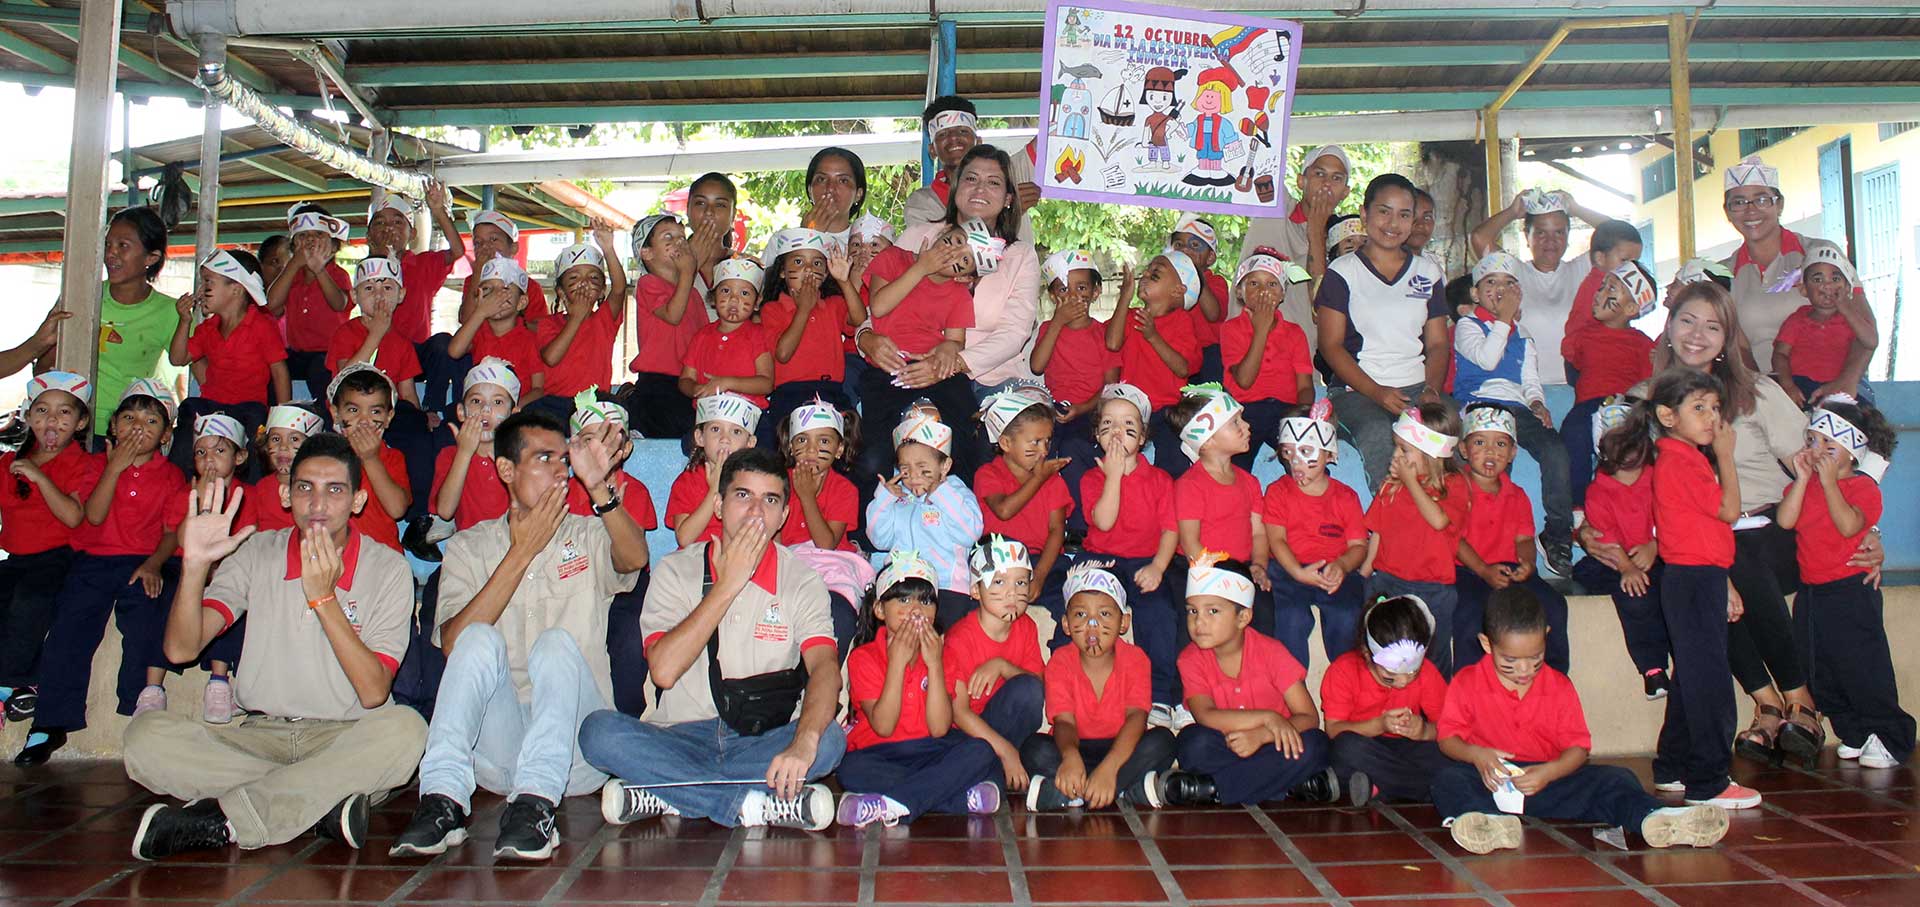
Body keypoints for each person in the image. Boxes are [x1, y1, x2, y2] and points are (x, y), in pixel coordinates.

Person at [1601, 281, 1885, 769]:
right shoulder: (1644, 403)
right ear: (1668, 326)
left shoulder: (1757, 391)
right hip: (1684, 544)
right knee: (1702, 577)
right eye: (1687, 320)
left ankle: (1792, 700)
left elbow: (1831, 459)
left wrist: (1869, 531)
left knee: (1736, 556)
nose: (1697, 334)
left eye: (1713, 326)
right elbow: (1620, 488)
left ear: (1728, 337)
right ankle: (1778, 703)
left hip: (1773, 532)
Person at [123, 434, 425, 858]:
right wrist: (194, 566)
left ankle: (224, 821)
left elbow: (374, 692)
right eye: (305, 488)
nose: (317, 504)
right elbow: (179, 650)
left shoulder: (388, 567)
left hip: (344, 735)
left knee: (406, 731)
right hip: (257, 735)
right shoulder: (257, 553)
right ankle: (315, 804)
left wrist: (323, 599)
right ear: (286, 494)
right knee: (145, 737)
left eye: (334, 490)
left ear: (357, 501)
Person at [390, 410, 646, 860]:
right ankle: (441, 799)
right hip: (497, 747)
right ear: (506, 470)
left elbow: (633, 559)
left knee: (555, 642)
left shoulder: (585, 533)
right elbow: (452, 645)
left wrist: (599, 488)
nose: (558, 471)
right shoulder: (471, 546)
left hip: (572, 754)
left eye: (562, 460)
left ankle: (535, 807)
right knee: (475, 638)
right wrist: (521, 552)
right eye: (544, 458)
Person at [583, 448, 847, 832]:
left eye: (770, 500)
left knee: (829, 741)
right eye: (743, 496)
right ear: (719, 506)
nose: (756, 511)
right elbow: (664, 671)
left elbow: (824, 667)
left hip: (761, 739)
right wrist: (727, 586)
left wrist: (803, 742)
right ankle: (748, 804)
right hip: (679, 736)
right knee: (598, 732)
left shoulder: (801, 580)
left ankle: (667, 791)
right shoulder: (676, 570)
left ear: (784, 516)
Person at [1433, 586, 1729, 854]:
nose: (1523, 670)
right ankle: (1486, 824)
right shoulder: (1467, 681)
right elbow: (1447, 738)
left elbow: (1577, 749)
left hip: (1546, 782)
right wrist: (1477, 755)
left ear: (1547, 636)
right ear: (1487, 644)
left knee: (1616, 779)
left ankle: (1656, 817)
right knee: (1448, 779)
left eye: (1535, 659)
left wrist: (1550, 772)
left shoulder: (1559, 686)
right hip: (1491, 782)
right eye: (1509, 661)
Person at [14, 379, 185, 766]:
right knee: (70, 626)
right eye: (128, 417)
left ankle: (138, 711)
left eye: (151, 420)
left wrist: (154, 564)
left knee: (146, 615)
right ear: (112, 427)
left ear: (165, 434)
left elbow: (173, 531)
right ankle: (50, 722)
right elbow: (92, 515)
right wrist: (115, 467)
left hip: (142, 559)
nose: (138, 426)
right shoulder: (96, 464)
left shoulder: (171, 474)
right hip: (93, 559)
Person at [1635, 369, 1760, 809]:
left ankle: (1672, 766)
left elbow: (1702, 533)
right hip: (1690, 580)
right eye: (1700, 408)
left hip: (1699, 577)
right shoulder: (1681, 462)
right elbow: (1729, 510)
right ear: (1668, 416)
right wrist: (1727, 455)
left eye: (1716, 409)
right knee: (1710, 682)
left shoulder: (1683, 458)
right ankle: (1708, 780)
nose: (1712, 419)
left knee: (1692, 677)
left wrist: (1723, 582)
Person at [1776, 400, 1911, 770]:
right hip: (1812, 591)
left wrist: (1830, 484)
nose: (1815, 452)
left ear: (1851, 455)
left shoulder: (1862, 489)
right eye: (1811, 441)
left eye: (1828, 447)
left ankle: (1890, 735)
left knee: (1862, 666)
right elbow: (1787, 522)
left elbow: (1849, 526)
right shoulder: (1803, 487)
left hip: (1850, 590)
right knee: (1820, 667)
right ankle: (1853, 731)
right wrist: (1804, 481)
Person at [835, 550, 1004, 828]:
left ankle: (890, 804)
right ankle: (955, 799)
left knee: (981, 751)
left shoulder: (943, 654)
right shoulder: (864, 657)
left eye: (926, 601)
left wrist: (935, 664)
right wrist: (897, 664)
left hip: (931, 748)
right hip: (880, 752)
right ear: (879, 609)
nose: (916, 609)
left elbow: (939, 729)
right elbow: (884, 726)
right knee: (850, 770)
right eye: (903, 599)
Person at [1159, 556, 1342, 807]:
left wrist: (1263, 734)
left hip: (1273, 744)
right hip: (1228, 743)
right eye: (1192, 611)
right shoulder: (1190, 658)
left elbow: (1308, 716)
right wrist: (1267, 717)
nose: (1199, 622)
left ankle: (1214, 789)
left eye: (1213, 611)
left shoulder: (1272, 652)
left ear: (1243, 617)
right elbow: (1205, 715)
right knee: (1193, 742)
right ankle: (1287, 785)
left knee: (1316, 744)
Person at [878, 144, 1041, 414]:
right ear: (956, 188)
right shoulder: (918, 237)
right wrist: (866, 338)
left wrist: (954, 362)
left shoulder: (1020, 255)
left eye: (993, 182)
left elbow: (1014, 334)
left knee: (1027, 420)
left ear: (1009, 198)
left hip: (993, 379)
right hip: (913, 369)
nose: (980, 189)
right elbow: (879, 301)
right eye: (971, 178)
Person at [1315, 174, 1452, 492]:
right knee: (1379, 435)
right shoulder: (1342, 272)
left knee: (1452, 430)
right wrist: (1377, 393)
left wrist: (1431, 390)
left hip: (1419, 388)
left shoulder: (1427, 272)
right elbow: (1330, 346)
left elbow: (1437, 343)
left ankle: (1446, 530)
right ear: (1364, 214)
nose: (1394, 223)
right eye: (1384, 211)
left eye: (1405, 214)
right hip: (1357, 392)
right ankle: (1391, 530)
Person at [1453, 251, 1573, 574]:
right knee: (1493, 469)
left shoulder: (1523, 334)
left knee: (1556, 451)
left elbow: (1530, 380)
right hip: (1481, 406)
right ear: (1476, 293)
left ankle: (1558, 536)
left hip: (1518, 410)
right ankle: (1485, 547)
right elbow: (1488, 359)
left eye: (1509, 284)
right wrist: (1504, 320)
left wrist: (1536, 402)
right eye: (1491, 283)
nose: (1500, 289)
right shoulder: (1468, 326)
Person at [1022, 561, 1175, 811]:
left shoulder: (1136, 659)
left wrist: (1110, 768)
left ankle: (1074, 793)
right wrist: (1070, 757)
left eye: (1104, 614)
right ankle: (1123, 789)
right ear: (1066, 625)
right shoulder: (1060, 661)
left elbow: (1137, 718)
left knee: (1162, 741)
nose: (1092, 625)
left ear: (1123, 623)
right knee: (1034, 749)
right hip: (1075, 746)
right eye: (1081, 615)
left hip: (1121, 750)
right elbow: (1064, 722)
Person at [1719, 155, 1877, 393]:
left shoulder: (1820, 253)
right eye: (1738, 202)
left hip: (1837, 383)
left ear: (1779, 204)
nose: (1750, 211)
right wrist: (1760, 392)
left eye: (1762, 199)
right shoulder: (1723, 274)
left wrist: (1847, 381)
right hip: (1767, 389)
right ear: (1728, 211)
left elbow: (1865, 325)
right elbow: (1737, 347)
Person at [0, 372, 102, 727]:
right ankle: (17, 687)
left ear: (81, 422)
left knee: (31, 600)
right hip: (16, 559)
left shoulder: (84, 464)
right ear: (29, 417)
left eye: (64, 413)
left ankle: (13, 684)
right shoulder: (7, 464)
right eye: (42, 411)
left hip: (58, 557)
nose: (52, 421)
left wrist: (39, 477)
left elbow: (74, 517)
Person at [1078, 384, 1182, 719]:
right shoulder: (1092, 478)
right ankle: (1082, 687)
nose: (1117, 432)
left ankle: (1160, 693)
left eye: (1128, 426)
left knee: (1159, 611)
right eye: (1107, 425)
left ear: (1142, 439)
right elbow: (1103, 523)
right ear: (1097, 434)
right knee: (1086, 605)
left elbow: (1170, 529)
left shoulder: (1160, 479)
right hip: (1099, 557)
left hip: (1144, 558)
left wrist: (1158, 567)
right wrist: (1113, 478)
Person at [1451, 404, 1572, 675]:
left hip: (1509, 568)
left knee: (1554, 605)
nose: (1491, 452)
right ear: (1463, 449)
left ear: (1513, 453)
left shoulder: (1517, 495)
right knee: (1470, 614)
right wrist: (1482, 570)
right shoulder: (1455, 487)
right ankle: (1468, 691)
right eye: (1480, 442)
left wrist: (1527, 564)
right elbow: (1453, 539)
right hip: (1467, 571)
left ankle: (1553, 682)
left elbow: (1524, 538)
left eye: (1501, 444)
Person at [157, 414, 260, 723]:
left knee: (237, 598)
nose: (209, 460)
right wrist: (200, 500)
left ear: (240, 457)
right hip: (186, 564)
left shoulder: (249, 495)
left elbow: (251, 540)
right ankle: (151, 687)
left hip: (235, 567)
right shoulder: (183, 496)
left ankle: (219, 680)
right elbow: (181, 540)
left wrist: (219, 569)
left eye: (219, 451)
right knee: (163, 599)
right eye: (201, 452)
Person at [1571, 402, 1672, 701]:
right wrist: (1626, 566)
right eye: (1617, 444)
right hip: (1611, 559)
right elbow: (1603, 536)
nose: (1627, 452)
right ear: (1602, 448)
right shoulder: (1598, 490)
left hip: (1657, 551)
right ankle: (1653, 668)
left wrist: (1655, 545)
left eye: (1633, 443)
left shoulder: (1659, 477)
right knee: (1634, 592)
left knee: (1675, 585)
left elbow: (1671, 517)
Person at [1363, 403, 1469, 674]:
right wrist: (1366, 571)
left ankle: (1437, 715)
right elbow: (1378, 530)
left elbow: (1438, 520)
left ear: (1432, 455)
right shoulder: (1391, 486)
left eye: (1404, 450)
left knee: (1433, 658)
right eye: (1396, 447)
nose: (1395, 456)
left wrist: (1411, 482)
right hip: (1388, 581)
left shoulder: (1453, 486)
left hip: (1433, 588)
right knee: (1385, 653)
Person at [1468, 187, 1612, 385]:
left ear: (1568, 235)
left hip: (1579, 386)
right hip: (1525, 390)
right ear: (1527, 236)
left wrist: (1576, 209)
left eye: (1559, 232)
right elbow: (1479, 238)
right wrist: (1512, 212)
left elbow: (1619, 236)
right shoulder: (1512, 273)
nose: (1550, 241)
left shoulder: (1583, 269)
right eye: (1541, 233)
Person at [1263, 399, 1367, 670]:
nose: (1296, 462)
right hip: (1287, 570)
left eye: (1307, 452)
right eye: (1288, 452)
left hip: (1335, 569)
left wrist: (1343, 566)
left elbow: (1358, 545)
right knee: (1290, 617)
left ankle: (1346, 681)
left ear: (1330, 455)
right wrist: (1297, 572)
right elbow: (1276, 539)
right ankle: (1290, 690)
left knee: (1347, 616)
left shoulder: (1346, 497)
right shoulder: (1277, 492)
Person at [167, 249, 289, 475]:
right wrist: (184, 321)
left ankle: (253, 492)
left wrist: (282, 417)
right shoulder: (208, 329)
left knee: (256, 437)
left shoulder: (261, 325)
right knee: (189, 411)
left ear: (236, 289)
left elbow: (279, 371)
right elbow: (178, 358)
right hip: (212, 406)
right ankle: (177, 483)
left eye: (208, 283)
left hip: (249, 407)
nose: (201, 291)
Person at [944, 536, 1046, 799]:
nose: (1012, 593)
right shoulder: (960, 638)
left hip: (1009, 729)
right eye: (999, 582)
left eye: (1021, 582)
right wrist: (1006, 751)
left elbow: (1036, 685)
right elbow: (959, 714)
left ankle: (991, 774)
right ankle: (994, 769)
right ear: (976, 590)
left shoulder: (1026, 628)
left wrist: (1002, 665)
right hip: (971, 734)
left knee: (1028, 690)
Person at [1323, 595, 1449, 804]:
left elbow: (1448, 728)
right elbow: (1334, 730)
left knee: (1445, 754)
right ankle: (1426, 789)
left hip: (1404, 749)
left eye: (1413, 673)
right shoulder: (1344, 670)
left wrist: (1424, 731)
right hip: (1366, 745)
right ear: (1366, 653)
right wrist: (1379, 725)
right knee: (1345, 749)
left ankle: (1381, 788)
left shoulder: (1428, 672)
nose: (1402, 682)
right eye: (1390, 677)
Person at [66, 207, 178, 439]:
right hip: (73, 427)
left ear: (151, 258)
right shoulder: (81, 297)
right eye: (108, 245)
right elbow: (45, 360)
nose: (110, 254)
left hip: (128, 434)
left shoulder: (170, 312)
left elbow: (195, 365)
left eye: (122, 246)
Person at [866, 411, 984, 630]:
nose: (913, 477)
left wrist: (940, 493)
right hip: (902, 582)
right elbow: (879, 539)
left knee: (940, 643)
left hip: (945, 585)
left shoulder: (957, 493)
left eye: (923, 468)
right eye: (905, 469)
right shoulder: (898, 496)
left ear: (945, 466)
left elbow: (970, 534)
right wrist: (883, 499)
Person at [1561, 260, 1657, 512]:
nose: (1599, 294)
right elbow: (1571, 350)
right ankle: (1578, 506)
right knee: (1573, 434)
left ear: (1631, 307)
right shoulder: (1585, 335)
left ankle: (1638, 510)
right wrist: (1597, 271)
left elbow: (1647, 384)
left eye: (1610, 290)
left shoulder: (1642, 343)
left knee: (1628, 451)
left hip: (1625, 404)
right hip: (1588, 405)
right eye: (1601, 287)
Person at [973, 386, 1073, 626]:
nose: (1044, 451)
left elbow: (1056, 530)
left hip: (1043, 562)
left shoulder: (1053, 480)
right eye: (1035, 442)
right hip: (998, 558)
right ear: (1006, 443)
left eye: (1047, 441)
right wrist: (1038, 478)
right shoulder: (989, 474)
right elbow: (1004, 510)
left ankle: (1063, 656)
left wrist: (1037, 577)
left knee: (1068, 604)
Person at [1240, 144, 1353, 355]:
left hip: (1300, 365)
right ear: (1301, 181)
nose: (1327, 184)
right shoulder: (1275, 207)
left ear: (1346, 192)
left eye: (1337, 178)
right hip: (1243, 350)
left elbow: (1321, 309)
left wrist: (1317, 233)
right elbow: (1255, 156)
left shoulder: (1345, 244)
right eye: (1319, 173)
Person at [1171, 387, 1268, 609]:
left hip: (1241, 568)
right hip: (1198, 569)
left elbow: (1259, 532)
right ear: (1206, 441)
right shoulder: (1190, 485)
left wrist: (1259, 566)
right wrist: (1218, 578)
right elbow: (1190, 542)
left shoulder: (1250, 482)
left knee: (1264, 612)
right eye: (1235, 422)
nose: (1247, 426)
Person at [1106, 251, 1202, 474]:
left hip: (1167, 409)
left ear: (1178, 291)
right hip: (1129, 408)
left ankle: (1169, 503)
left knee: (1173, 459)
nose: (1146, 275)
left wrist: (1153, 336)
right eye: (1147, 271)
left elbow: (1183, 367)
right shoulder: (1131, 316)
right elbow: (1112, 343)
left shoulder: (1181, 321)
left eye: (1155, 274)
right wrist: (1124, 297)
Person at [1221, 248, 1314, 471]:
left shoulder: (1294, 332)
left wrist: (1303, 414)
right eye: (1253, 284)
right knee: (1234, 465)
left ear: (1282, 294)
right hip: (1246, 411)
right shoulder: (1231, 329)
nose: (1263, 290)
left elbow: (1304, 385)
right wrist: (1261, 329)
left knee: (1307, 459)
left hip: (1285, 410)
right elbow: (1244, 380)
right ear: (1240, 292)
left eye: (1272, 284)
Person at [903, 96, 1039, 243]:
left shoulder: (1010, 172)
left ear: (978, 142)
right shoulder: (921, 203)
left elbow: (1054, 139)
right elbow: (940, 252)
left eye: (962, 131)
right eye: (943, 134)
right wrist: (1008, 213)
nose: (954, 138)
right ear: (932, 150)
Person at [763, 229, 854, 444]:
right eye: (798, 262)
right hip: (789, 395)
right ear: (783, 272)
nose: (808, 270)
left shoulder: (833, 304)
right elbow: (783, 354)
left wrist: (844, 281)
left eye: (817, 263)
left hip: (831, 392)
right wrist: (804, 309)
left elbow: (857, 319)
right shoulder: (772, 310)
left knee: (849, 447)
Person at [622, 214, 708, 440]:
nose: (680, 242)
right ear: (647, 253)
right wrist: (689, 271)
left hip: (688, 382)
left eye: (682, 237)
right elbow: (673, 315)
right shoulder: (648, 283)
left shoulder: (694, 294)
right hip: (658, 381)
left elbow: (704, 338)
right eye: (668, 237)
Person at [536, 228, 630, 416]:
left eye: (593, 277)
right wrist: (576, 318)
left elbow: (619, 288)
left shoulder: (604, 320)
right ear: (561, 292)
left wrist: (608, 249)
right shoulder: (549, 323)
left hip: (595, 402)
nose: (585, 282)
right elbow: (551, 357)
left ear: (602, 291)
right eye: (574, 277)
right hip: (557, 403)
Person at [1773, 241, 1878, 407]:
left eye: (1835, 278)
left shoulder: (1851, 319)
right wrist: (1788, 385)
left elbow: (1871, 341)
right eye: (1817, 279)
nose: (1827, 285)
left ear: (1847, 287)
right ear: (1804, 290)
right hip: (1802, 386)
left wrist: (1846, 309)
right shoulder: (1797, 320)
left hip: (1841, 386)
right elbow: (1780, 355)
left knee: (1860, 409)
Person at [365, 185, 466, 354]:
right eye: (380, 223)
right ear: (368, 236)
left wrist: (438, 210)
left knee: (442, 343)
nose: (389, 228)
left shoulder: (424, 264)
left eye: (397, 222)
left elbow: (457, 251)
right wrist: (381, 259)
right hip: (382, 352)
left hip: (418, 353)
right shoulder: (366, 269)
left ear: (412, 234)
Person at [326, 364, 413, 554]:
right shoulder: (323, 457)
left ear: (389, 417)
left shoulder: (393, 458)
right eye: (353, 410)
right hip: (335, 557)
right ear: (335, 413)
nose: (364, 420)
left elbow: (397, 510)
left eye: (375, 412)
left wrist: (371, 458)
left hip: (383, 557)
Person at [267, 209, 352, 399]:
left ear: (333, 245)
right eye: (303, 235)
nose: (310, 240)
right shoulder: (292, 277)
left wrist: (320, 270)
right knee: (272, 366)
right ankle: (276, 419)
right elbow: (272, 305)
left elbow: (339, 303)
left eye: (319, 234)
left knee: (320, 373)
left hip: (328, 354)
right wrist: (294, 264)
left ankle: (330, 421)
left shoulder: (338, 274)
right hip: (296, 354)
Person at [448, 257, 548, 414]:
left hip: (517, 412)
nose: (495, 297)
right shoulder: (478, 331)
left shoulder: (528, 339)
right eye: (488, 290)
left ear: (521, 302)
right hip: (480, 409)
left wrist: (513, 408)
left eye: (504, 290)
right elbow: (454, 351)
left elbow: (538, 388)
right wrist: (480, 312)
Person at [430, 359, 518, 531]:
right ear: (461, 412)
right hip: (470, 549)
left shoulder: (522, 455)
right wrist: (464, 453)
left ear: (513, 415)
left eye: (498, 402)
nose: (485, 409)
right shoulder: (450, 455)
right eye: (476, 401)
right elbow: (445, 511)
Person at [666, 392, 761, 548]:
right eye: (716, 429)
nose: (725, 439)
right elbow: (684, 538)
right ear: (700, 437)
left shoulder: (756, 481)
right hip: (696, 559)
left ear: (750, 442)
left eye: (736, 431)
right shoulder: (688, 480)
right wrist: (715, 488)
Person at [777, 398, 859, 552]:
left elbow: (826, 545)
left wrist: (807, 496)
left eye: (824, 441)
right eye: (802, 440)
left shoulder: (845, 490)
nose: (811, 449)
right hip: (790, 559)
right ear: (791, 447)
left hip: (832, 561)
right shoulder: (778, 482)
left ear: (839, 449)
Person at [1170, 215, 1230, 384]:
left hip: (1210, 353)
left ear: (1210, 258)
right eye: (1179, 245)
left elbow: (1213, 314)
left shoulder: (1215, 282)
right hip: (1180, 351)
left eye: (1195, 245)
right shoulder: (1169, 284)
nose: (1185, 250)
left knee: (1210, 398)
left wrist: (1195, 275)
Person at [252, 404, 323, 533]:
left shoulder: (322, 487)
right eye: (276, 439)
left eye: (294, 439)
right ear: (266, 447)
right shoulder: (262, 488)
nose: (283, 446)